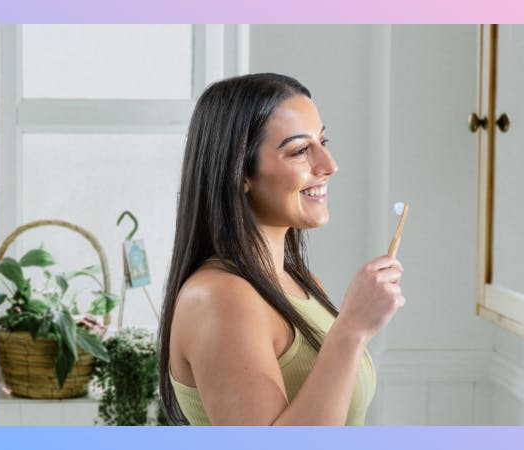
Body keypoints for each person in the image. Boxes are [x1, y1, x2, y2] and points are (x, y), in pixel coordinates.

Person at [158, 73, 405, 426]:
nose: (329, 165)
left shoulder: (302, 285)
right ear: (240, 173)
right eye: (300, 150)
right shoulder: (217, 297)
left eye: (323, 141)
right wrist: (352, 328)